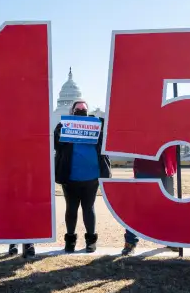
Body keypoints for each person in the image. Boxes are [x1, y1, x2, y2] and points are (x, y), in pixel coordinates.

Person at [54, 100, 111, 253]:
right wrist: (60, 131)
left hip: (91, 177)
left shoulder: (98, 125)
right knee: (71, 209)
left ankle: (91, 240)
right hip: (70, 177)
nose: (81, 110)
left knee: (89, 208)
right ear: (72, 112)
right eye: (78, 108)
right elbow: (56, 146)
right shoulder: (63, 126)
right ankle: (70, 240)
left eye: (84, 108)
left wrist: (102, 124)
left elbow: (108, 138)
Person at [121, 148, 178, 256]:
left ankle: (171, 239)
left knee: (169, 207)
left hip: (166, 167)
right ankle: (130, 243)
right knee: (139, 208)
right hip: (146, 167)